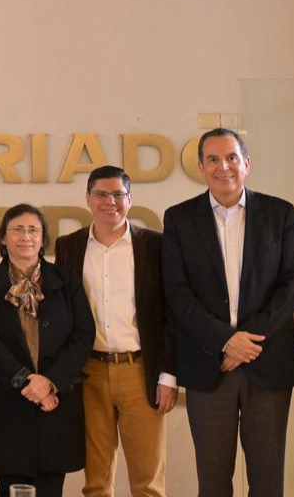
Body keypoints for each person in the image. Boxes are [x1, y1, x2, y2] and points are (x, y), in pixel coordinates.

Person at [162, 128, 294, 497]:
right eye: (213, 159)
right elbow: (177, 292)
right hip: (209, 365)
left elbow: (291, 285)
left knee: (268, 481)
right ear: (201, 166)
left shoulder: (280, 213)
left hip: (267, 362)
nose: (222, 166)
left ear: (247, 164)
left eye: (231, 158)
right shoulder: (179, 218)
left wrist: (246, 343)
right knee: (212, 482)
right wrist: (226, 341)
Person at [54, 165, 176, 497]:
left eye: (118, 194)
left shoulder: (155, 246)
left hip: (140, 371)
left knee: (148, 481)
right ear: (88, 199)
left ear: (130, 199)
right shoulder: (69, 246)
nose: (111, 202)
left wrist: (168, 376)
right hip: (90, 372)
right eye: (102, 194)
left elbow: (171, 314)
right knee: (96, 481)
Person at [0, 203, 94, 497]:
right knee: (10, 488)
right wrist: (27, 382)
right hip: (6, 404)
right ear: (3, 238)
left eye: (33, 230)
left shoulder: (66, 280)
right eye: (17, 230)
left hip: (55, 402)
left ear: (43, 238)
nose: (26, 237)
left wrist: (49, 383)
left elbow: (83, 335)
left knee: (51, 488)